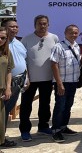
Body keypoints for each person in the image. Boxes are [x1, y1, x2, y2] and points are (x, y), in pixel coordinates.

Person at [19, 15, 59, 142]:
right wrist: (26, 77)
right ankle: (25, 130)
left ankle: (43, 126)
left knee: (45, 104)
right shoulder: (26, 39)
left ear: (48, 24)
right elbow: (22, 60)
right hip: (30, 80)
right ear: (34, 25)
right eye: (39, 24)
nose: (42, 26)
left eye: (44, 24)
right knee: (26, 105)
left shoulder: (54, 38)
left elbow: (57, 58)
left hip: (47, 79)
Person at [50, 25, 81, 142]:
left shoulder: (76, 46)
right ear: (65, 33)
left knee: (68, 106)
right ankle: (56, 130)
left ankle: (63, 126)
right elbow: (54, 64)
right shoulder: (58, 46)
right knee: (60, 106)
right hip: (62, 82)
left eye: (76, 33)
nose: (73, 35)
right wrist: (59, 83)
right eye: (71, 33)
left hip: (73, 82)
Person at [1, 19, 26, 148]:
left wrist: (27, 79)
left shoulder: (19, 43)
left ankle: (2, 137)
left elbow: (24, 60)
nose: (14, 29)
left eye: (16, 26)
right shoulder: (2, 43)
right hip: (6, 84)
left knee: (6, 111)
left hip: (18, 82)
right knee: (2, 112)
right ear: (4, 28)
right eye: (11, 27)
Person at [0, 27, 13, 147]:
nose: (0, 39)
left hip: (2, 91)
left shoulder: (6, 52)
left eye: (3, 38)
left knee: (0, 121)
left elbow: (9, 71)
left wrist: (8, 87)